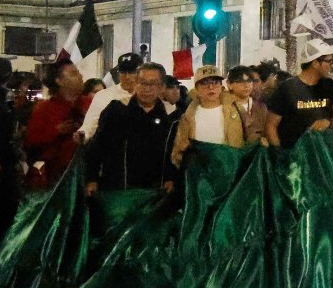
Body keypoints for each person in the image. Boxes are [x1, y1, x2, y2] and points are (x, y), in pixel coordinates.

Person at [87, 63, 179, 193]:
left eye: (152, 84)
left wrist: (171, 178)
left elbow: (174, 154)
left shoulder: (172, 118)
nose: (146, 89)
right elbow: (97, 145)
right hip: (118, 189)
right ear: (135, 84)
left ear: (162, 87)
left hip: (156, 193)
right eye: (142, 83)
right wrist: (92, 178)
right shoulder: (117, 110)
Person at [23, 58, 89, 188]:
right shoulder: (44, 108)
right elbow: (30, 140)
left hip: (86, 172)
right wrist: (56, 131)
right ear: (59, 81)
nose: (80, 77)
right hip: (56, 176)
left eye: (79, 73)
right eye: (73, 74)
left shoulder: (90, 103)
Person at [267, 46, 333, 148]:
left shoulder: (330, 85)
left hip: (324, 152)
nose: (332, 66)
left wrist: (329, 122)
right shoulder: (287, 88)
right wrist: (280, 154)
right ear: (315, 63)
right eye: (329, 62)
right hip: (295, 154)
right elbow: (271, 125)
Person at [171, 66, 247, 167]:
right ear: (196, 88)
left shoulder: (236, 110)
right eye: (204, 83)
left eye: (215, 82)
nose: (211, 87)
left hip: (231, 170)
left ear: (221, 86)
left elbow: (250, 138)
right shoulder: (187, 117)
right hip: (200, 175)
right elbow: (179, 151)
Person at [82, 52, 143, 141]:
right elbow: (90, 125)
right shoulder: (103, 96)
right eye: (123, 71)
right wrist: (83, 135)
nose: (127, 76)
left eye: (131, 71)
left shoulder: (148, 95)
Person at [226, 66, 269, 143]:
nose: (246, 85)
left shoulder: (261, 107)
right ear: (229, 84)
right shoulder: (226, 106)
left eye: (249, 81)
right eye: (240, 81)